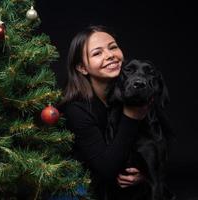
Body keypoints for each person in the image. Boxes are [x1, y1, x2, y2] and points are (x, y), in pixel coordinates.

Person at [60, 25, 152, 199]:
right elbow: (106, 168)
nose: (110, 55)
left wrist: (144, 173)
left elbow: (146, 145)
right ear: (82, 67)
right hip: (76, 183)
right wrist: (131, 117)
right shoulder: (76, 109)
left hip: (109, 185)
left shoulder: (130, 92)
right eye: (97, 53)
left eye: (113, 47)